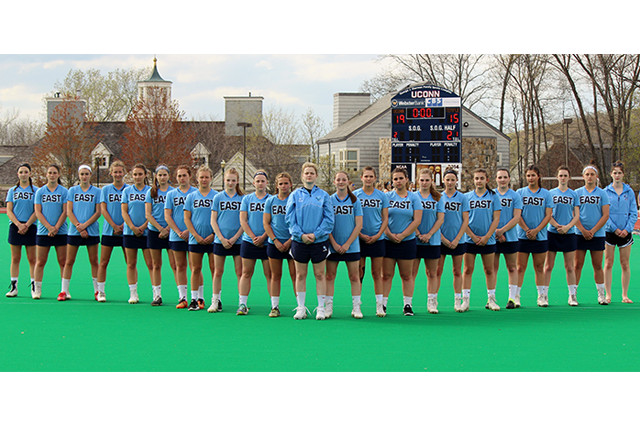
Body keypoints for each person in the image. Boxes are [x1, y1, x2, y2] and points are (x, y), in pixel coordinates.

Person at [286, 162, 334, 320]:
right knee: (300, 275)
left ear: (316, 176)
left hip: (318, 242)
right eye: (306, 173)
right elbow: (289, 219)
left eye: (312, 173)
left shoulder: (324, 195)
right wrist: (301, 235)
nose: (309, 175)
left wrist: (315, 234)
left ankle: (320, 308)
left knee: (320, 275)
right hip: (300, 242)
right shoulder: (295, 195)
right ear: (302, 176)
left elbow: (329, 220)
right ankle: (301, 308)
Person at [381, 167, 422, 316]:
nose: (398, 181)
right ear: (392, 182)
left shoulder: (414, 198)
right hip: (388, 240)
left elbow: (417, 220)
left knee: (406, 275)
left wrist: (403, 235)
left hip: (407, 241)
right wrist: (390, 234)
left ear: (406, 180)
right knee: (386, 275)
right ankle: (383, 305)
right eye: (395, 179)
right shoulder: (387, 197)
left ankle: (407, 305)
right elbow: (383, 218)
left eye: (401, 178)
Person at [58, 165, 101, 301]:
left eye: (86, 174)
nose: (84, 177)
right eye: (82, 174)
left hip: (91, 231)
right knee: (69, 261)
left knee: (94, 261)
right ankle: (64, 291)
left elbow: (98, 212)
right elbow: (69, 211)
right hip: (74, 232)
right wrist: (78, 227)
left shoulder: (96, 191)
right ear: (78, 175)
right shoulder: (72, 190)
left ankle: (97, 291)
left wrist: (85, 226)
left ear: (90, 175)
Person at [461, 168, 501, 312]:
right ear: (473, 180)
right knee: (467, 269)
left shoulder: (493, 196)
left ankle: (491, 299)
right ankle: (465, 300)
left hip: (487, 240)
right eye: (476, 178)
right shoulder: (466, 197)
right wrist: (471, 235)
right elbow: (463, 219)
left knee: (489, 270)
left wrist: (487, 236)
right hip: (469, 239)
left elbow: (496, 219)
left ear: (487, 180)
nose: (479, 181)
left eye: (481, 178)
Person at [326, 171, 364, 319]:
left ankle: (356, 307)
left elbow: (359, 224)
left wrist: (348, 243)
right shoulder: (329, 200)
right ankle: (328, 307)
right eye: (338, 180)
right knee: (330, 276)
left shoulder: (355, 201)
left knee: (355, 277)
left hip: (352, 245)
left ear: (348, 182)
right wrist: (334, 243)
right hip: (333, 245)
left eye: (344, 179)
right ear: (334, 182)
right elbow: (327, 224)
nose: (341, 182)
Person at [515, 165, 554, 308]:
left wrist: (536, 230)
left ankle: (541, 296)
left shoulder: (546, 194)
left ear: (538, 176)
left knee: (539, 267)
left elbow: (548, 215)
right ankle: (516, 296)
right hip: (523, 236)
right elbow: (517, 214)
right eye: (528, 176)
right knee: (520, 267)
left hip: (540, 236)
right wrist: (527, 230)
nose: (530, 178)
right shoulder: (520, 193)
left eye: (533, 175)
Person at [354, 166, 388, 317]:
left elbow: (385, 218)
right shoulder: (355, 195)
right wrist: (360, 234)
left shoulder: (382, 196)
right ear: (361, 178)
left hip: (377, 239)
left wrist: (378, 234)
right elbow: (352, 219)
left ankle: (379, 306)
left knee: (377, 273)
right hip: (359, 239)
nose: (368, 179)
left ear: (375, 178)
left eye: (371, 176)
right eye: (365, 176)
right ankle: (357, 305)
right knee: (359, 272)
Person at [543, 166, 580, 306]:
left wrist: (567, 227)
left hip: (569, 233)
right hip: (553, 232)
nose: (563, 178)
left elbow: (577, 215)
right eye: (561, 175)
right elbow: (548, 214)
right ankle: (543, 294)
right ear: (557, 177)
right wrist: (557, 225)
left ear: (569, 177)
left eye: (565, 175)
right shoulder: (550, 193)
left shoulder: (573, 194)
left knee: (570, 267)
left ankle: (572, 295)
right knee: (548, 266)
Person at [208, 167, 243, 313]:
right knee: (217, 272)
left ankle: (242, 302)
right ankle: (215, 301)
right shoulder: (218, 197)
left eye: (233, 180)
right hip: (220, 241)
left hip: (238, 241)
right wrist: (221, 238)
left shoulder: (242, 198)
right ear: (224, 181)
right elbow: (213, 221)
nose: (230, 183)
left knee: (240, 272)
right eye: (228, 180)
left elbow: (244, 222)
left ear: (237, 182)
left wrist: (235, 238)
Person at [575, 163, 610, 305]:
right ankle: (573, 294)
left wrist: (593, 231)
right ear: (583, 177)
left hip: (597, 234)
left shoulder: (602, 193)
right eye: (587, 174)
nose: (590, 177)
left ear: (596, 176)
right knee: (577, 265)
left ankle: (601, 295)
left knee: (597, 265)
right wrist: (583, 230)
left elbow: (605, 214)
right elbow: (574, 214)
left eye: (592, 174)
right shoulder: (577, 193)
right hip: (579, 234)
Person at [237, 170, 272, 315]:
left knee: (269, 274)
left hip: (266, 241)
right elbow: (243, 220)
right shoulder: (247, 199)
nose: (260, 183)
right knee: (246, 273)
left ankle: (274, 305)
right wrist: (252, 237)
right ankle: (242, 304)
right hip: (249, 241)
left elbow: (273, 222)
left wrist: (264, 236)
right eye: (257, 181)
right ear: (253, 183)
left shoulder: (271, 199)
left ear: (267, 183)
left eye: (263, 181)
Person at [184, 165, 217, 311]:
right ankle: (194, 299)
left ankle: (216, 300)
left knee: (214, 270)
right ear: (197, 179)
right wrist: (196, 235)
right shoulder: (191, 197)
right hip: (195, 239)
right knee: (195, 269)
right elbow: (187, 219)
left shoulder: (216, 196)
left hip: (212, 239)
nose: (204, 180)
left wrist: (213, 235)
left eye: (207, 177)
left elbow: (219, 219)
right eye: (201, 177)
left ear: (211, 178)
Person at [263, 172, 296, 317]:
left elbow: (298, 222)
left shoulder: (294, 200)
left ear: (291, 185)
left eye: (286, 183)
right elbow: (266, 222)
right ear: (276, 185)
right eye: (281, 183)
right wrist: (275, 240)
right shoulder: (271, 201)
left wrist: (290, 240)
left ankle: (300, 306)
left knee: (295, 275)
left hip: (292, 243)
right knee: (275, 275)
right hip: (274, 243)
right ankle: (275, 306)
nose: (283, 186)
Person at [164, 165, 198, 308]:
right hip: (176, 235)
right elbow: (168, 215)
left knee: (195, 267)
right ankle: (182, 297)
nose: (182, 178)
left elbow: (197, 216)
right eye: (179, 176)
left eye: (184, 175)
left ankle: (198, 298)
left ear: (190, 176)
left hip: (193, 235)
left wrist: (189, 231)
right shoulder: (171, 194)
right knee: (180, 266)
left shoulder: (196, 193)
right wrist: (178, 232)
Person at [604, 161, 637, 304]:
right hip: (610, 233)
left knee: (625, 264)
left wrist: (627, 229)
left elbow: (633, 213)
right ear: (611, 174)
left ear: (623, 175)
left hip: (625, 233)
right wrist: (614, 229)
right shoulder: (605, 192)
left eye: (619, 173)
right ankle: (608, 294)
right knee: (608, 263)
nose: (617, 175)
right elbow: (604, 214)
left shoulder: (629, 192)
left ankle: (624, 295)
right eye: (615, 173)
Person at [411, 168, 444, 314]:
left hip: (433, 240)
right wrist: (418, 234)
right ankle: (408, 303)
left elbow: (440, 219)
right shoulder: (412, 196)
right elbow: (411, 218)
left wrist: (429, 234)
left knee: (432, 273)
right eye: (422, 180)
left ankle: (432, 301)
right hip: (415, 239)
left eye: (427, 180)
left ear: (432, 181)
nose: (424, 183)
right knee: (412, 273)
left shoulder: (438, 197)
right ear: (418, 181)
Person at [33, 164, 68, 299]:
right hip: (43, 232)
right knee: (40, 261)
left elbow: (65, 211)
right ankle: (37, 289)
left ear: (58, 175)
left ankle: (64, 290)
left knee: (63, 262)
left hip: (60, 231)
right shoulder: (40, 192)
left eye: (54, 173)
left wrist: (56, 227)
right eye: (50, 173)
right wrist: (49, 227)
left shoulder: (64, 191)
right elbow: (38, 212)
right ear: (46, 175)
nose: (52, 175)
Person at [436, 169, 469, 312]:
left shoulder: (462, 198)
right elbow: (435, 220)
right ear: (443, 180)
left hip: (458, 240)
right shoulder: (438, 197)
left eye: (452, 180)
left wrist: (457, 238)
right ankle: (433, 300)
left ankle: (457, 300)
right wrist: (442, 238)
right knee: (438, 271)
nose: (450, 182)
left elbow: (465, 220)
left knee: (457, 271)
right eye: (447, 179)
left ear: (457, 181)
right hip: (441, 240)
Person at [96, 160, 128, 303]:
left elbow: (130, 210)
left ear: (124, 173)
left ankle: (133, 292)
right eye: (115, 172)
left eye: (120, 171)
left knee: (130, 263)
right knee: (103, 262)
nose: (118, 174)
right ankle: (101, 291)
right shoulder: (106, 190)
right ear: (111, 173)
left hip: (126, 231)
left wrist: (122, 225)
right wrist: (114, 225)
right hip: (109, 231)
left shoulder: (128, 189)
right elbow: (103, 209)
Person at [121, 163, 153, 304]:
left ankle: (155, 293)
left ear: (145, 175)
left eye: (140, 174)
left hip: (146, 232)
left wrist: (144, 226)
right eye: (135, 174)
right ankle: (133, 293)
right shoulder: (127, 191)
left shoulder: (151, 191)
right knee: (131, 263)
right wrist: (133, 227)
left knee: (150, 264)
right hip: (130, 232)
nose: (137, 177)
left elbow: (152, 212)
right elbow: (124, 211)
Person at [145, 164, 176, 306]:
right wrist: (160, 229)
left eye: (165, 174)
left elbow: (176, 213)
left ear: (169, 176)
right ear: (156, 177)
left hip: (171, 231)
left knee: (175, 264)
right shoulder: (151, 192)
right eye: (160, 175)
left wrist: (168, 229)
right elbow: (148, 214)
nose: (162, 177)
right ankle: (157, 295)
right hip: (154, 232)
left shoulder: (173, 192)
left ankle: (182, 295)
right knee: (156, 264)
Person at [5, 163, 38, 297]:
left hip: (30, 226)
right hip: (15, 227)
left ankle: (35, 287)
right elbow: (9, 210)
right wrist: (18, 224)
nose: (23, 174)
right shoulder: (12, 191)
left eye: (26, 172)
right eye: (21, 172)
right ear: (17, 174)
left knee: (32, 259)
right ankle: (14, 287)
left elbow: (37, 210)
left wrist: (27, 224)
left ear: (30, 173)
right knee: (15, 258)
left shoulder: (36, 190)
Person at [493, 168, 522, 309]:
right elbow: (488, 216)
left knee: (512, 267)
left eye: (505, 177)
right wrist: (495, 232)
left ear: (509, 179)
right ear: (496, 179)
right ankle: (491, 298)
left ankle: (512, 297)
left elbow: (516, 217)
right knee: (492, 268)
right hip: (493, 237)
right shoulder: (491, 194)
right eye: (500, 177)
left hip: (510, 237)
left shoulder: (515, 196)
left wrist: (502, 231)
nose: (502, 179)